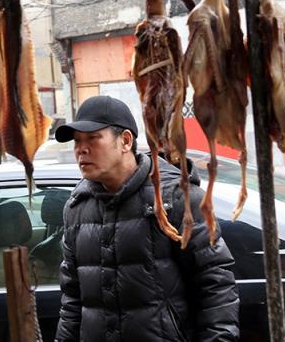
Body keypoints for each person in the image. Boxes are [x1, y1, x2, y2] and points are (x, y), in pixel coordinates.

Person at [54, 95, 240, 342]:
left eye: (93, 138)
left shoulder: (175, 198)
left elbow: (215, 285)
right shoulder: (77, 207)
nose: (81, 149)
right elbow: (72, 299)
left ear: (125, 141)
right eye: (77, 141)